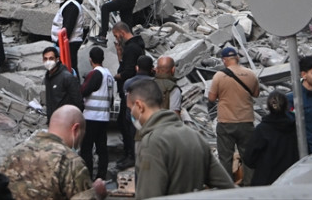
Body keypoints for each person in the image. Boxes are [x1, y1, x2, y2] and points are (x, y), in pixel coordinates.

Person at [128, 77, 234, 198]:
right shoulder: (195, 136)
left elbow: (149, 196)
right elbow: (227, 186)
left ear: (139, 106)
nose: (131, 114)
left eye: (131, 109)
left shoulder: (153, 142)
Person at [2, 105, 106, 200]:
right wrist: (96, 194)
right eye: (82, 136)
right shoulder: (71, 162)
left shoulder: (13, 153)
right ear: (75, 129)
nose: (79, 143)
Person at [208, 45, 260, 184]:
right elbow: (256, 94)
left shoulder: (219, 76)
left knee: (225, 158)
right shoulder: (250, 73)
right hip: (246, 121)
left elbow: (211, 98)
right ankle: (250, 186)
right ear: (237, 58)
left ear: (224, 60)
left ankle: (227, 188)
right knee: (248, 156)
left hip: (226, 122)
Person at [243, 92, 300, 186]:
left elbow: (249, 158)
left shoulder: (262, 130)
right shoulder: (295, 128)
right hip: (290, 181)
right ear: (287, 106)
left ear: (268, 107)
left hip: (265, 182)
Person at [111, 22, 146, 170]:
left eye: (116, 36)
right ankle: (128, 154)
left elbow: (128, 72)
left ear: (121, 32)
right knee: (123, 124)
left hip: (130, 96)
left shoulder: (132, 48)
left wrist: (116, 76)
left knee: (128, 126)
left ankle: (131, 155)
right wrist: (119, 53)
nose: (116, 39)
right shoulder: (132, 47)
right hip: (129, 94)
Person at [80, 46, 115, 181]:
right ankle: (101, 175)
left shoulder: (94, 74)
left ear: (90, 59)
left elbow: (84, 90)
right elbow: (111, 98)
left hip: (91, 116)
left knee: (87, 148)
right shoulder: (109, 75)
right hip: (104, 117)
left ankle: (88, 176)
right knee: (102, 147)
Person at [42, 46, 83, 120]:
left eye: (51, 58)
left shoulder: (66, 77)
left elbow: (78, 102)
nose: (48, 61)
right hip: (53, 121)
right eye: (45, 59)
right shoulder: (48, 77)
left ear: (57, 59)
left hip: (65, 122)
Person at [51, 0, 85, 72]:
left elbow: (68, 27)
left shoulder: (71, 5)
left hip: (69, 43)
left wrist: (60, 43)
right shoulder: (70, 4)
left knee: (70, 68)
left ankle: (74, 85)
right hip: (68, 42)